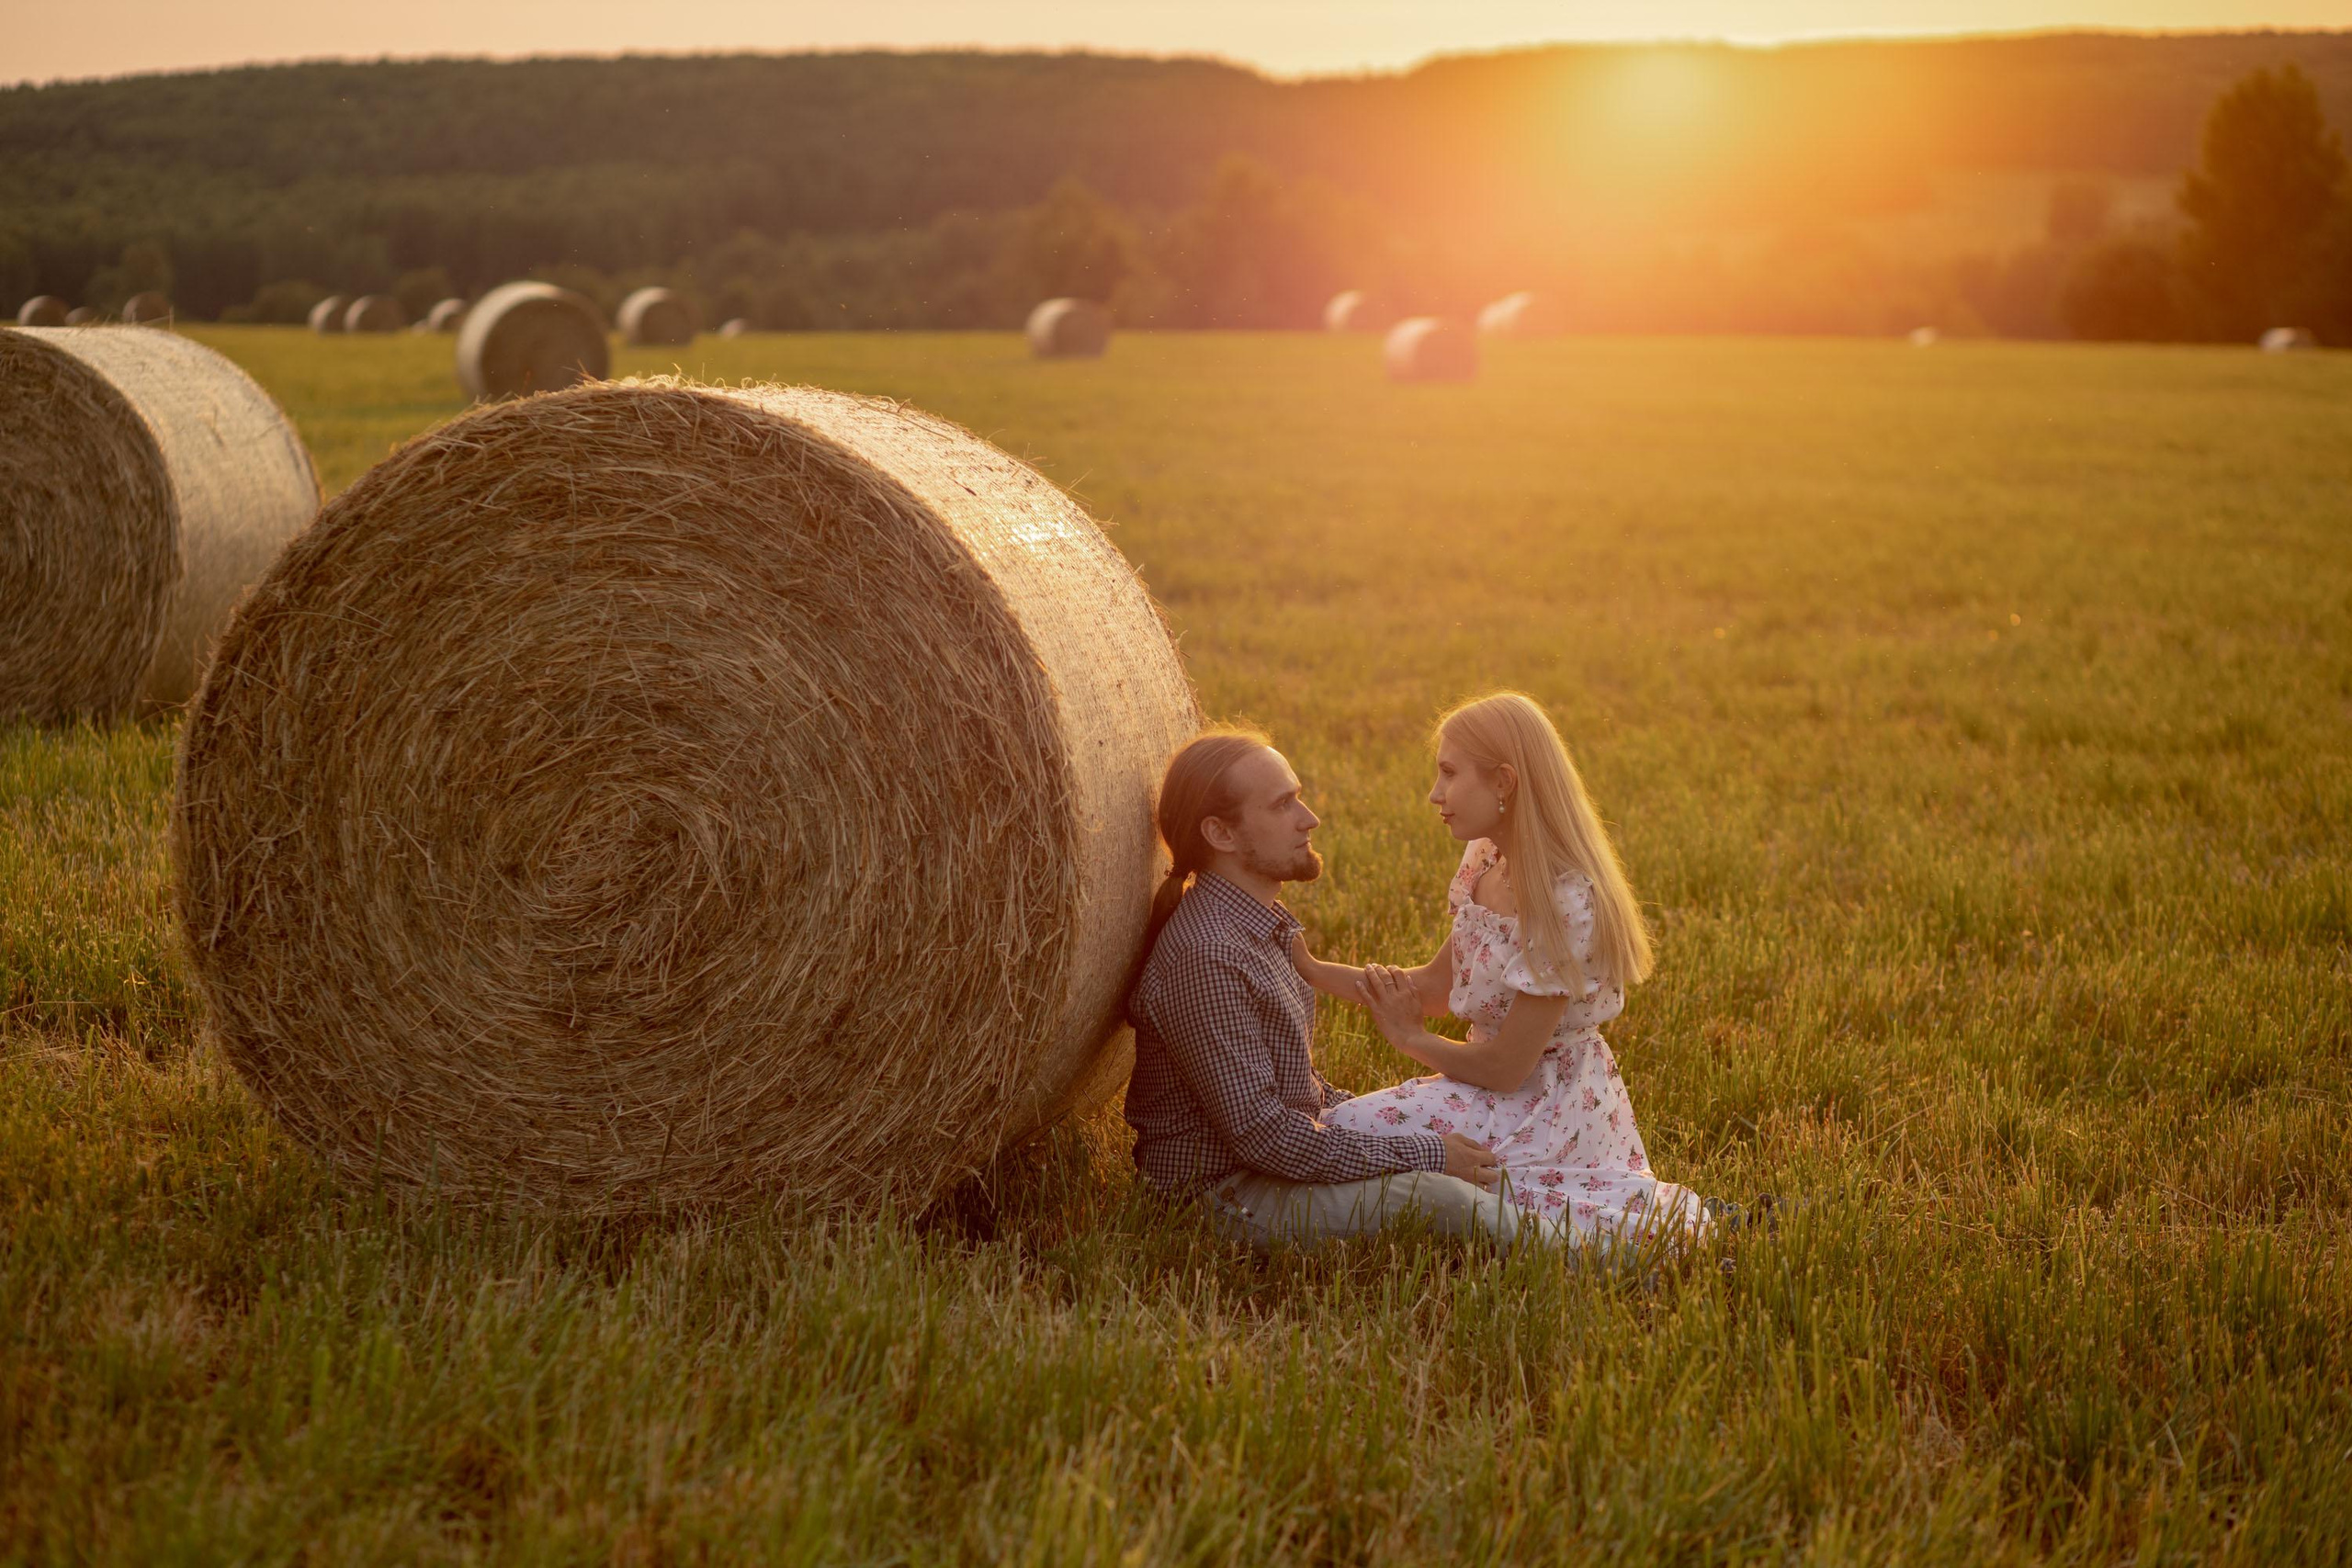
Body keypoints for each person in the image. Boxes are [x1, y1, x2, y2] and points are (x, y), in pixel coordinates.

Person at [1297, 692, 1715, 1247]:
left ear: (1504, 782)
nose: (1434, 794)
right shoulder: (1486, 859)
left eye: (1448, 773)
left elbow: (1505, 1068)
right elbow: (1430, 988)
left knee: (1340, 1138)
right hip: (1490, 1090)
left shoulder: (1564, 902)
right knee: (1335, 1135)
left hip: (1547, 1105)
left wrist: (1408, 1037)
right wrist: (1306, 965)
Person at [1125, 728, 1531, 1248]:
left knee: (1466, 1139)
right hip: (1223, 1195)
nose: (1309, 818)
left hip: (1275, 1161)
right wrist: (1428, 1154)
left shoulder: (1259, 925)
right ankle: (1600, 1263)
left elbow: (1301, 1099)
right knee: (1443, 1197)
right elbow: (1265, 1138)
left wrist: (1390, 1125)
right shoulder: (1208, 955)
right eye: (1283, 805)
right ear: (1221, 834)